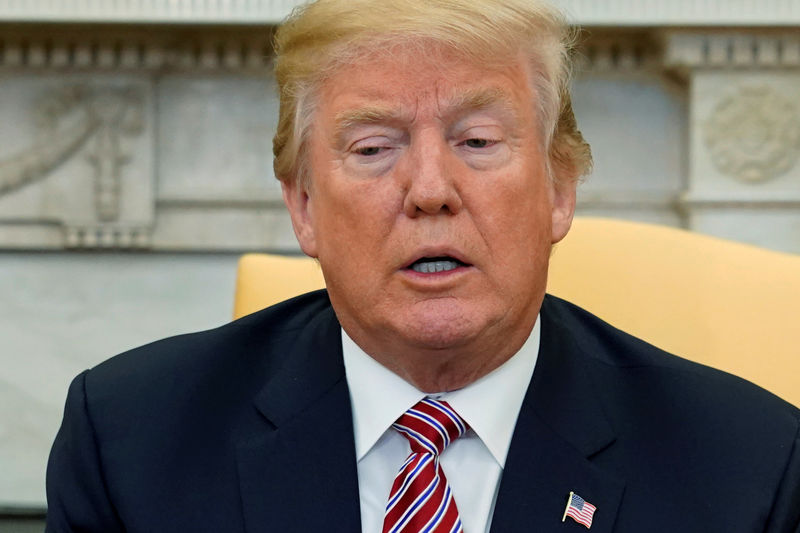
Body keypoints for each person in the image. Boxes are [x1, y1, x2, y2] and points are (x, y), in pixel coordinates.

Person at [46, 0, 800, 531]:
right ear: (303, 204)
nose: (431, 191)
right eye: (374, 148)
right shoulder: (130, 442)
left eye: (476, 140)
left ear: (560, 189)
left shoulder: (746, 468)